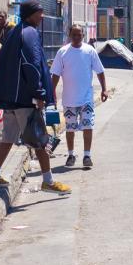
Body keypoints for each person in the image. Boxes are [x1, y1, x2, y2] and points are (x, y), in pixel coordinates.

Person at [0, 0, 71, 194]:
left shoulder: (16, 32)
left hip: (12, 98)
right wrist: (39, 93)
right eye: (40, 12)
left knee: (8, 137)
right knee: (38, 139)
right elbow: (31, 66)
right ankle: (48, 181)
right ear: (30, 14)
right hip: (25, 98)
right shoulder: (29, 33)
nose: (43, 16)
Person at [51, 24, 108, 169]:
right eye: (74, 35)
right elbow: (55, 75)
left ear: (83, 35)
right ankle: (71, 155)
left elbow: (100, 71)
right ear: (69, 35)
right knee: (70, 129)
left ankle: (87, 155)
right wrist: (52, 94)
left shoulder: (90, 51)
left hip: (86, 98)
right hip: (69, 99)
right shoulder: (62, 52)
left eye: (79, 34)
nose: (76, 37)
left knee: (88, 126)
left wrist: (104, 89)